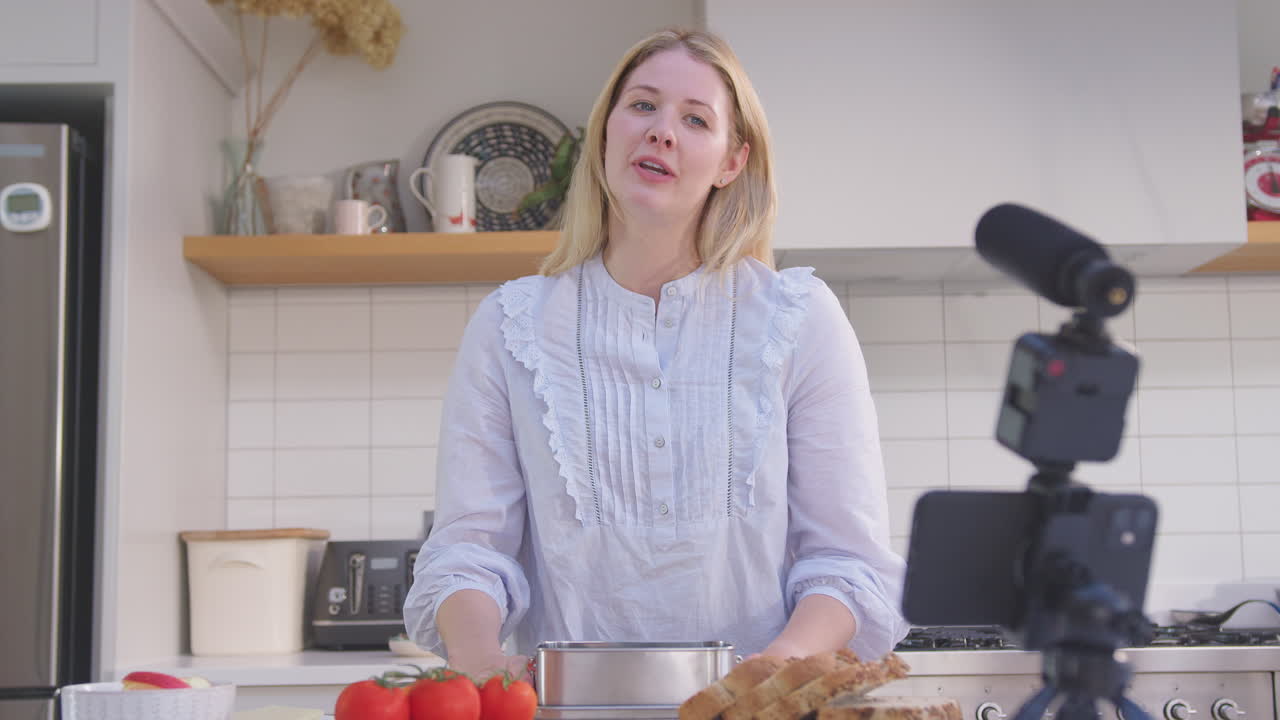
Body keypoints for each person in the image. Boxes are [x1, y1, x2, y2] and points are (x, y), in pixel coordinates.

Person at [403, 27, 909, 681]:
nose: (661, 131)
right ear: (604, 136)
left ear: (732, 163)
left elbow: (848, 562)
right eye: (642, 105)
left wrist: (773, 669)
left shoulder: (801, 318)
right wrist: (480, 661)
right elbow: (468, 552)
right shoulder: (510, 326)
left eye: (696, 119)